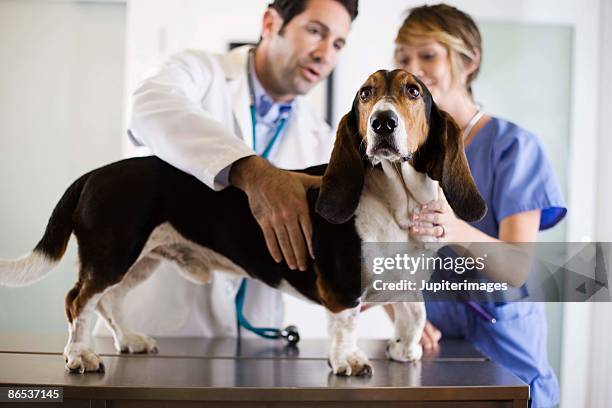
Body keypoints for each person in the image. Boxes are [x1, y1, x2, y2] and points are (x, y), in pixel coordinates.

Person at [93, 0, 359, 338]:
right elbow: (149, 107)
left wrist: (397, 300)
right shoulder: (199, 71)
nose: (325, 55)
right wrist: (253, 174)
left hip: (256, 347)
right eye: (315, 31)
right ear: (270, 23)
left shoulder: (322, 141)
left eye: (337, 44)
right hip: (158, 335)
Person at [393, 4, 566, 407]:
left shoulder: (513, 149)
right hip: (432, 356)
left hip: (505, 355)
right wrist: (399, 314)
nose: (412, 69)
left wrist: (452, 228)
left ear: (468, 61)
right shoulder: (404, 154)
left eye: (428, 55)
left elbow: (516, 267)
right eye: (403, 58)